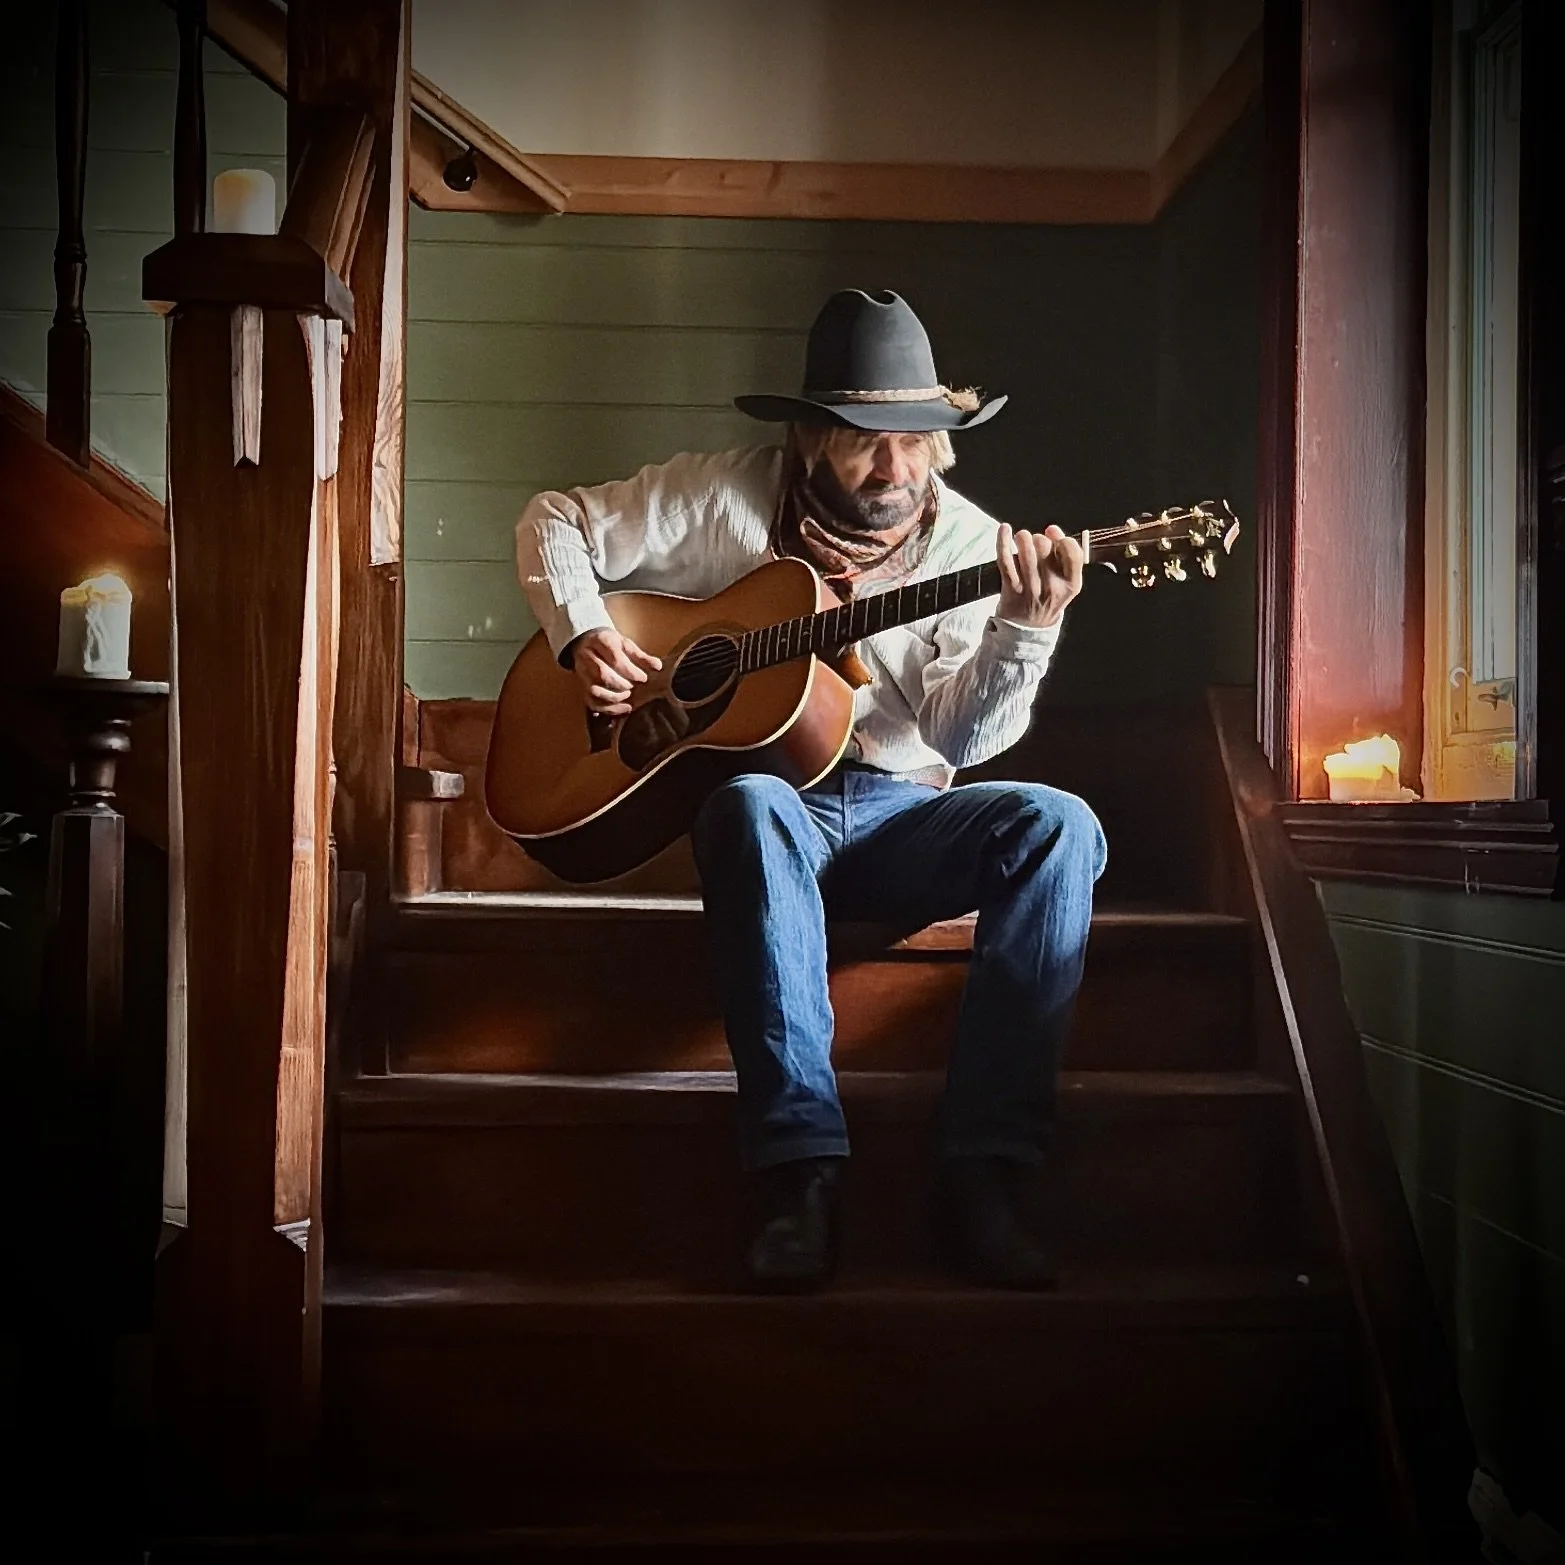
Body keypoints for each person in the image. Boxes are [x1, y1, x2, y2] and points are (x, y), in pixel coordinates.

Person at [516, 288, 1105, 1292]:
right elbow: (553, 518)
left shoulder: (971, 545)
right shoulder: (719, 493)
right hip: (765, 818)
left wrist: (1026, 630)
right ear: (804, 438)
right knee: (748, 801)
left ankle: (982, 1178)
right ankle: (801, 1177)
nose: (895, 467)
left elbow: (962, 733)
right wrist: (581, 634)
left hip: (898, 821)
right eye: (865, 441)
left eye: (917, 441)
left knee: (1060, 824)